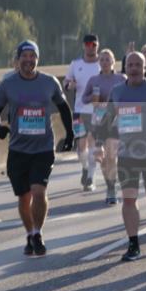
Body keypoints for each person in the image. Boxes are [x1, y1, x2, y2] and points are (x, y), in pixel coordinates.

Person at [0, 40, 74, 257]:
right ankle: (29, 232)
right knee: (24, 197)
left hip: (43, 148)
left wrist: (70, 134)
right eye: (24, 56)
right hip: (18, 149)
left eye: (32, 56)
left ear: (37, 58)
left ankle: (37, 232)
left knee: (39, 191)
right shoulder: (8, 83)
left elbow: (64, 108)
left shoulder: (49, 82)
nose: (28, 60)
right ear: (18, 60)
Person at [103, 51, 146, 261]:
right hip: (127, 155)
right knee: (129, 199)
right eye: (130, 65)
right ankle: (133, 244)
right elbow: (107, 119)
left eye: (138, 64)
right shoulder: (117, 91)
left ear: (145, 67)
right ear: (125, 68)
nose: (134, 68)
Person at [82, 48, 127, 204]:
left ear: (113, 61)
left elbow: (129, 95)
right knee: (102, 159)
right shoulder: (94, 80)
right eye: (102, 59)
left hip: (115, 122)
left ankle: (112, 188)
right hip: (97, 121)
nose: (105, 62)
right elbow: (84, 98)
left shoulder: (121, 78)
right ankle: (109, 185)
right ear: (98, 63)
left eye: (108, 59)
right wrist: (95, 99)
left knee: (111, 156)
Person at [64, 34, 101, 191]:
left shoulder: (102, 63)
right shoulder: (75, 64)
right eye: (87, 44)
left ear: (97, 45)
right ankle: (85, 168)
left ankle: (90, 178)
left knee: (93, 143)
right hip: (79, 110)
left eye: (93, 44)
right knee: (80, 146)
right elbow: (65, 82)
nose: (90, 47)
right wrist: (69, 85)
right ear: (83, 46)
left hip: (98, 111)